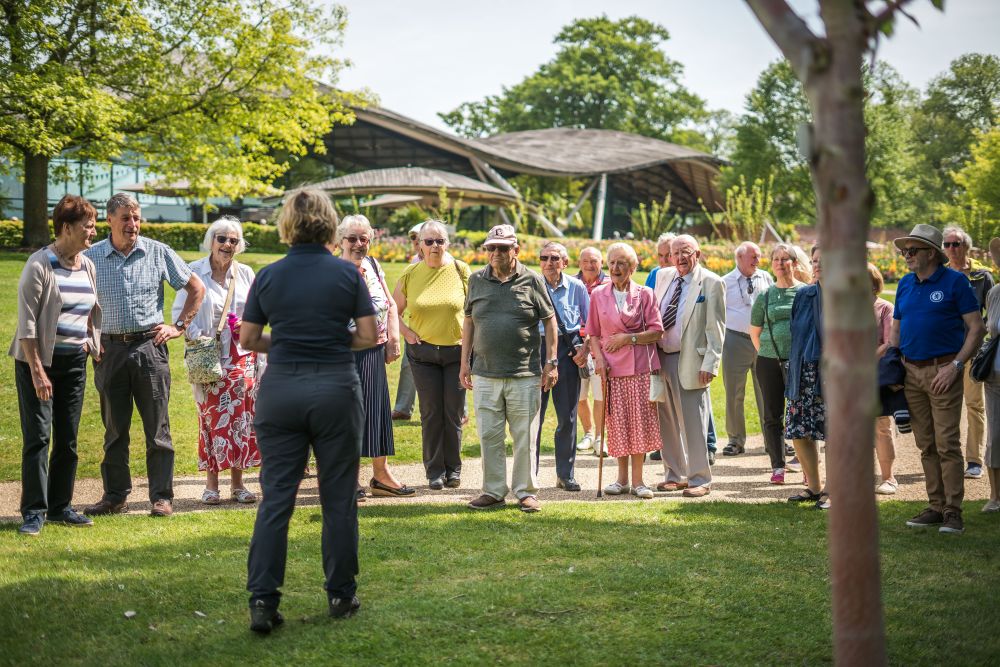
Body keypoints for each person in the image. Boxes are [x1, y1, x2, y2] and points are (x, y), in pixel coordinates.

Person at [241, 188, 377, 633]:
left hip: (281, 391)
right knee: (338, 497)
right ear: (329, 223)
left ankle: (263, 600)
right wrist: (329, 342)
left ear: (287, 223)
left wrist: (290, 343)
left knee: (276, 498)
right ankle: (341, 593)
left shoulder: (268, 275)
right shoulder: (347, 275)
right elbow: (368, 335)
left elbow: (247, 339)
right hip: (336, 388)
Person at [83, 192, 205, 518]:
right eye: (125, 217)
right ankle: (114, 496)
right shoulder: (90, 257)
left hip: (150, 349)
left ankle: (162, 497)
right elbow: (77, 302)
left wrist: (178, 326)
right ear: (109, 220)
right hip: (109, 351)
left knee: (158, 429)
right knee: (114, 429)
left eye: (136, 217)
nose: (133, 224)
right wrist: (90, 339)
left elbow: (196, 288)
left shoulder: (157, 252)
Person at [11, 195, 102, 535]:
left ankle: (60, 506)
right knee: (39, 437)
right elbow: (27, 324)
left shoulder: (87, 264)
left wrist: (93, 342)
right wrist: (37, 371)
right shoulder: (40, 264)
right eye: (87, 227)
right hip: (39, 362)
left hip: (74, 362)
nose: (92, 233)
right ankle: (34, 511)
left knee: (68, 438)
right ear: (67, 227)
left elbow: (91, 310)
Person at [891, 224, 984, 535]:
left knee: (947, 444)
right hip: (911, 372)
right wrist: (895, 365)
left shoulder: (955, 282)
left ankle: (953, 511)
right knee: (926, 444)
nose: (906, 256)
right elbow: (896, 329)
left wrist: (956, 366)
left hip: (943, 371)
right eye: (904, 251)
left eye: (912, 250)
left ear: (931, 252)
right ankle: (935, 505)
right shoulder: (905, 284)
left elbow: (976, 328)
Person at [460, 224, 557, 512]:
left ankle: (526, 492)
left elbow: (550, 321)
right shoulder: (476, 280)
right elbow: (468, 321)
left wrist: (551, 363)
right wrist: (465, 362)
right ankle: (493, 491)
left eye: (503, 248)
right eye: (491, 247)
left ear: (515, 250)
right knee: (489, 435)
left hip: (524, 373)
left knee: (524, 436)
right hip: (485, 372)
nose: (496, 253)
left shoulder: (533, 280)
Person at [171, 217, 261, 505]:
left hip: (242, 356)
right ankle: (211, 485)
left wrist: (245, 326)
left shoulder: (245, 273)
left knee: (242, 419)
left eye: (233, 240)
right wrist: (201, 340)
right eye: (222, 238)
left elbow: (260, 313)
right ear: (211, 240)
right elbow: (180, 311)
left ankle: (238, 484)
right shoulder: (194, 272)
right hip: (207, 356)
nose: (227, 244)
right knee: (211, 419)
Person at [335, 215, 412, 498]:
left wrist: (393, 338)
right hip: (342, 353)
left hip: (373, 351)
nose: (358, 244)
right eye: (352, 239)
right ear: (340, 240)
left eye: (363, 239)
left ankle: (381, 476)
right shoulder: (332, 270)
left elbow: (390, 304)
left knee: (377, 411)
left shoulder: (373, 264)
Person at [393, 219, 470, 490]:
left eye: (439, 241)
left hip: (455, 353)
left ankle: (454, 470)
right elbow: (393, 309)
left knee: (453, 412)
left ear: (447, 243)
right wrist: (406, 332)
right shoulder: (410, 274)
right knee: (430, 412)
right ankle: (434, 471)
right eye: (429, 241)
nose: (435, 246)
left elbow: (473, 312)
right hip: (422, 354)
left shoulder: (462, 270)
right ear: (420, 245)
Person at [587, 243, 663, 498]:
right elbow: (593, 333)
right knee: (618, 424)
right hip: (611, 370)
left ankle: (640, 481)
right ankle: (621, 480)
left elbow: (656, 331)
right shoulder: (598, 294)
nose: (616, 268)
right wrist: (598, 359)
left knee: (639, 423)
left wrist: (627, 339)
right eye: (612, 263)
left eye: (621, 263)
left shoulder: (646, 294)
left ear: (632, 267)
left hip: (639, 367)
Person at [652, 235, 725, 498]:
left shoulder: (711, 282)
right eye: (675, 253)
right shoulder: (663, 276)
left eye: (686, 252)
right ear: (668, 256)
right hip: (661, 358)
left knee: (694, 423)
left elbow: (716, 330)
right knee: (667, 421)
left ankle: (699, 478)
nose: (680, 258)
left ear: (698, 253)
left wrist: (711, 364)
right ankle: (674, 475)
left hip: (692, 361)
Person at [749, 243, 809, 484]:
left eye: (786, 259)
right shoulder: (765, 296)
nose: (781, 263)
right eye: (776, 259)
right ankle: (778, 466)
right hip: (768, 362)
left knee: (802, 415)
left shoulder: (806, 292)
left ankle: (808, 467)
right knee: (772, 415)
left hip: (800, 363)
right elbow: (754, 332)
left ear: (794, 263)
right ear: (771, 264)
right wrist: (769, 352)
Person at [535, 241, 589, 491]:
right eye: (544, 258)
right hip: (537, 352)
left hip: (567, 354)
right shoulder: (532, 285)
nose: (548, 263)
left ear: (565, 263)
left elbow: (590, 325)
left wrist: (584, 349)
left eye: (554, 258)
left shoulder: (577, 287)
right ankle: (530, 475)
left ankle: (565, 474)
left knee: (567, 417)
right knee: (534, 417)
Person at [942, 225, 994, 480]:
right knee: (944, 406)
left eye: (956, 243)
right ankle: (946, 457)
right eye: (947, 244)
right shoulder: (939, 275)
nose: (952, 248)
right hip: (943, 353)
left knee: (974, 405)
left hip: (972, 351)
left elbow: (992, 313)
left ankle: (974, 460)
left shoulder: (982, 277)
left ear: (966, 247)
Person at [784, 246, 827, 508]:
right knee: (799, 431)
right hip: (803, 372)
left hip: (833, 375)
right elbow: (795, 331)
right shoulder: (803, 294)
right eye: (814, 261)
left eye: (823, 261)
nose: (817, 265)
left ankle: (835, 489)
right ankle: (813, 486)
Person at [721, 241, 772, 458]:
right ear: (739, 258)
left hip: (762, 340)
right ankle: (735, 440)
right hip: (735, 340)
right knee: (734, 393)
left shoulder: (766, 277)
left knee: (767, 392)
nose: (758, 261)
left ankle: (772, 440)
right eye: (754, 257)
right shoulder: (725, 282)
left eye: (759, 256)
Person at [574, 246, 609, 454]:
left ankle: (599, 437)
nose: (589, 265)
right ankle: (587, 433)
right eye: (585, 261)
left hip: (599, 348)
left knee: (599, 395)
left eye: (594, 260)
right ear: (579, 263)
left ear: (601, 263)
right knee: (579, 395)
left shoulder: (608, 284)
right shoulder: (572, 283)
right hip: (575, 349)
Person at [391, 222, 425, 421]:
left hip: (438, 327)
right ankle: (403, 408)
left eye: (417, 238)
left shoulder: (446, 261)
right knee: (407, 366)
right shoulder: (413, 262)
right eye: (412, 238)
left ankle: (460, 412)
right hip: (415, 324)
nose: (414, 242)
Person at [870, 263, 899, 495]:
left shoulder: (885, 308)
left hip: (876, 375)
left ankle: (889, 478)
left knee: (881, 427)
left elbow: (889, 342)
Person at [981, 237, 1000, 513]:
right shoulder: (995, 293)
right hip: (996, 375)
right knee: (995, 435)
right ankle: (996, 496)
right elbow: (989, 327)